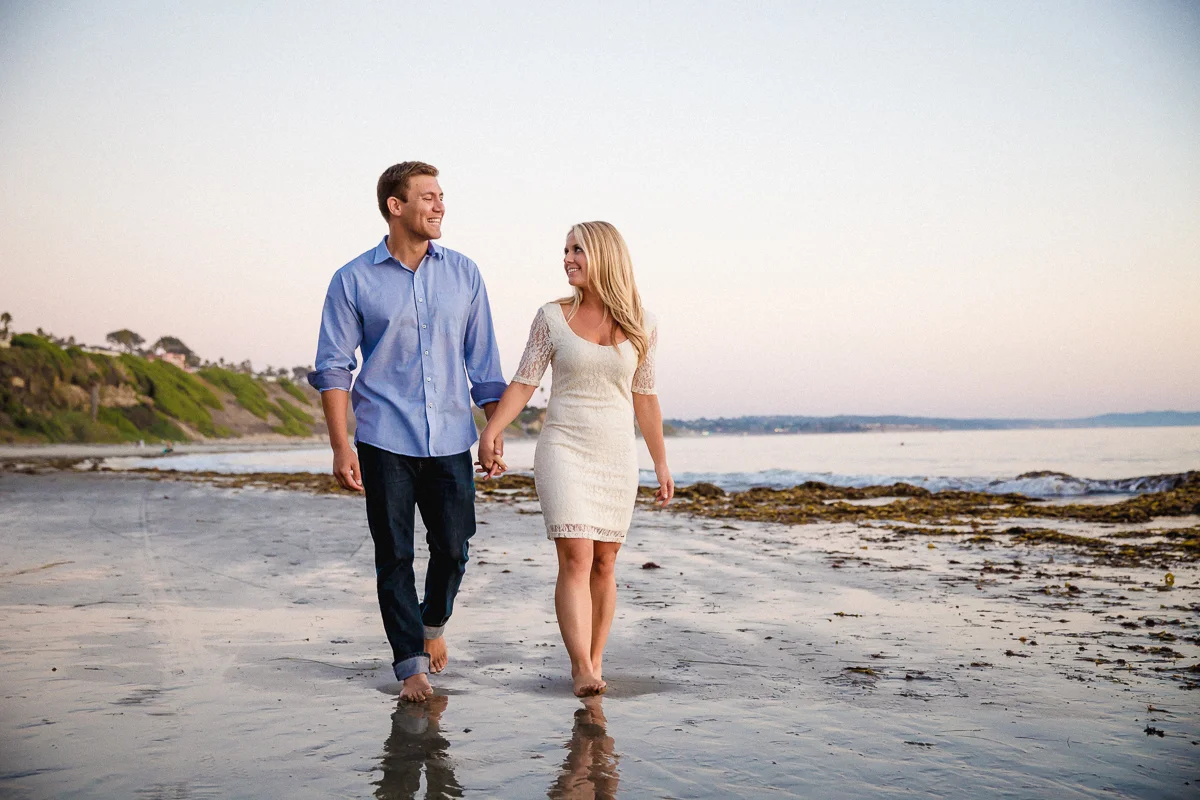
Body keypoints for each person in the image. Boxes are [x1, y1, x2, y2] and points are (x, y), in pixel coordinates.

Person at [308, 161, 507, 702]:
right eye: (428, 197)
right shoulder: (352, 279)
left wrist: (492, 430)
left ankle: (433, 624)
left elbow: (484, 364)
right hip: (382, 437)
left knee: (454, 545)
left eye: (442, 196)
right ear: (396, 206)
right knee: (394, 554)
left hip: (450, 437)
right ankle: (409, 665)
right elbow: (332, 367)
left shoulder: (465, 274)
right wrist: (340, 443)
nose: (440, 206)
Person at [477, 221, 674, 697]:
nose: (566, 258)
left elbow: (644, 398)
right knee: (576, 554)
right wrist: (492, 431)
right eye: (565, 250)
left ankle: (597, 657)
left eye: (577, 250)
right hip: (563, 447)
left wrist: (661, 464)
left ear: (605, 256)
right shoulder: (551, 316)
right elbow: (524, 381)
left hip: (615, 455)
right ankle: (580, 665)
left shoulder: (642, 323)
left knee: (605, 562)